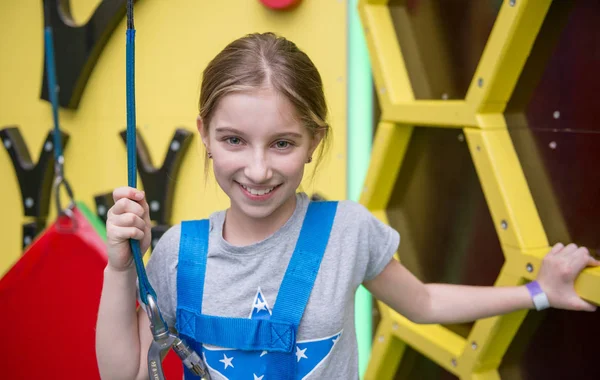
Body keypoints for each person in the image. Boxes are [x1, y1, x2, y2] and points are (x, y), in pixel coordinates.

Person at [95, 32, 599, 380]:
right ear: (204, 134)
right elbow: (125, 372)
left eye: (282, 144)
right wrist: (119, 270)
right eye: (233, 140)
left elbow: (423, 303)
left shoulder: (348, 231)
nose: (257, 169)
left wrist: (537, 291)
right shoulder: (179, 251)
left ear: (315, 140)